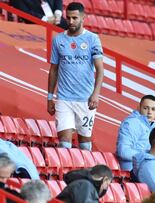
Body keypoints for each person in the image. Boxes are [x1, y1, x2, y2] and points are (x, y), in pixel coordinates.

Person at [47, 2, 104, 151]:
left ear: (83, 17)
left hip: (85, 99)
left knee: (85, 143)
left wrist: (95, 94)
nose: (70, 22)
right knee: (64, 143)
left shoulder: (92, 39)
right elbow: (53, 69)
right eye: (68, 18)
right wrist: (49, 97)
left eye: (74, 18)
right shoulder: (58, 40)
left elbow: (100, 69)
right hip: (64, 98)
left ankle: (84, 173)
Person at [116, 95, 155, 171]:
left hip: (148, 166)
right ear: (138, 108)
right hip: (132, 168)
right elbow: (123, 152)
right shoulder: (132, 123)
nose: (149, 112)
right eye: (145, 108)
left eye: (153, 109)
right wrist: (148, 156)